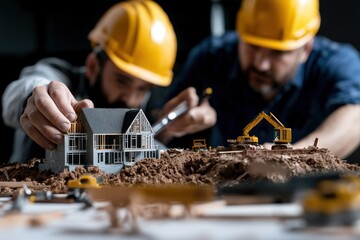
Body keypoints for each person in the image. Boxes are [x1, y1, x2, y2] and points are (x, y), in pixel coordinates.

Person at [157, 0, 360, 159]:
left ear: (306, 49)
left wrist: (294, 158)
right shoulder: (212, 56)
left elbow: (354, 120)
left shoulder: (336, 63)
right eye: (252, 46)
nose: (260, 64)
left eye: (277, 53)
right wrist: (172, 125)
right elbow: (157, 129)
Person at [1, 0, 185, 163]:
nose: (130, 99)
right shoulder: (60, 75)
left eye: (143, 88)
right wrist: (35, 98)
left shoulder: (139, 114)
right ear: (92, 66)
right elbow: (21, 91)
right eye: (122, 81)